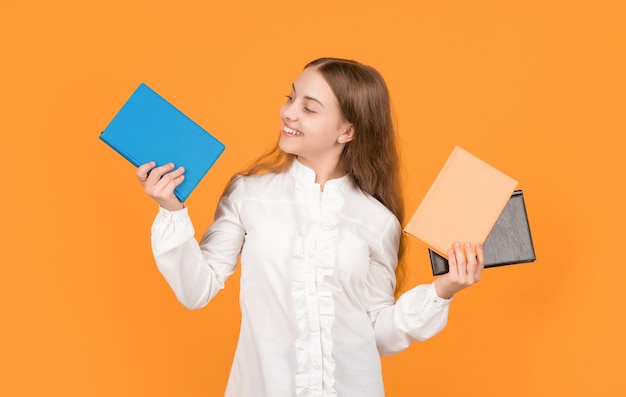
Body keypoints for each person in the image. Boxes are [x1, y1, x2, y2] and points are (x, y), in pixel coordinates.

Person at [136, 58, 485, 397]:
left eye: (310, 108)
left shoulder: (378, 220)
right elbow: (196, 289)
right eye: (291, 98)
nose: (288, 112)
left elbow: (378, 335)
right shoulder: (249, 194)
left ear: (347, 131)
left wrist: (443, 290)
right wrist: (171, 209)